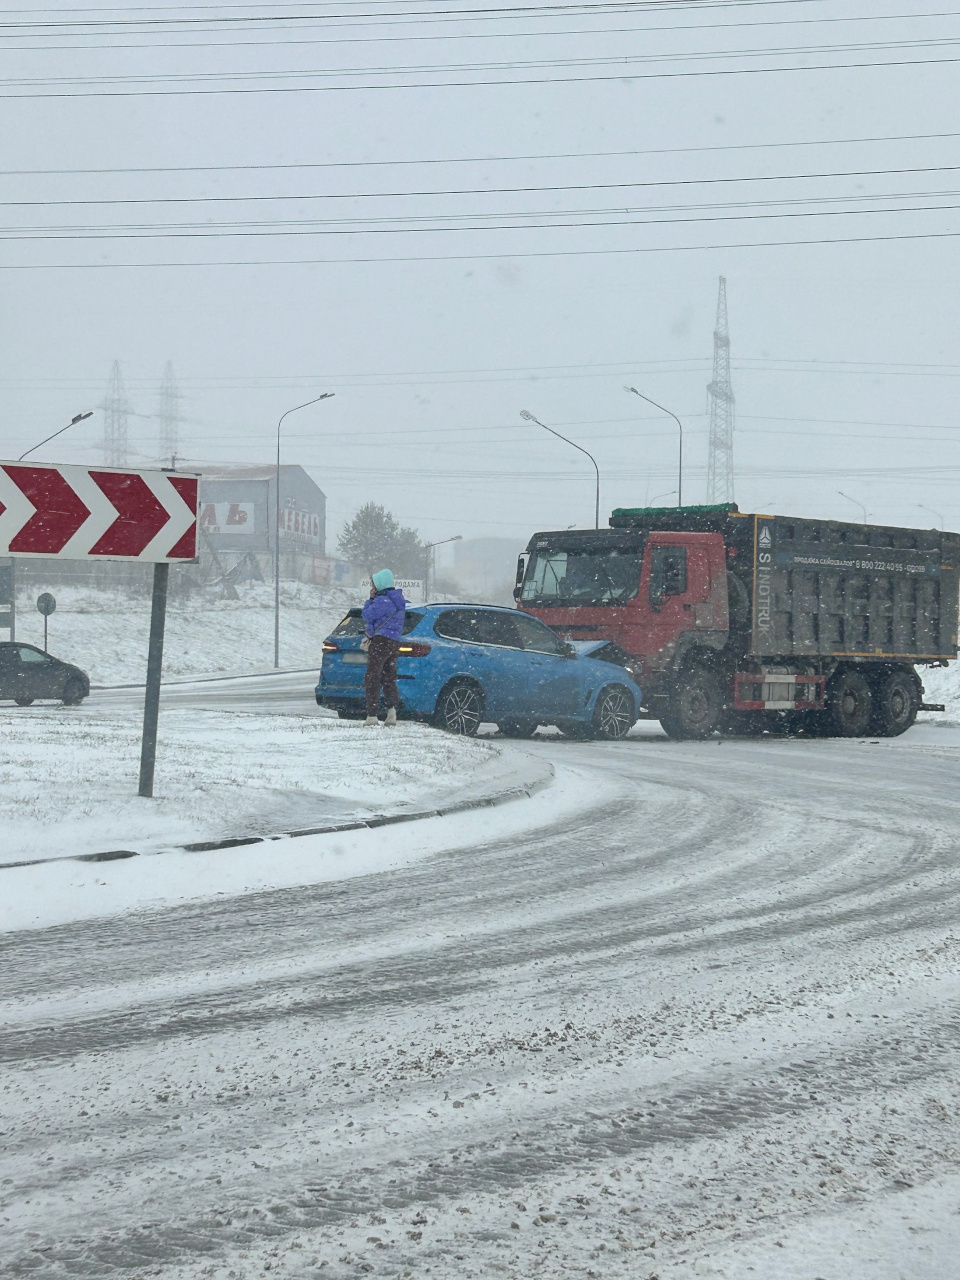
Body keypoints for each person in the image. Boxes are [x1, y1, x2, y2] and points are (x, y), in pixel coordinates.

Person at [360, 569, 407, 727]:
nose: (372, 587)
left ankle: (372, 715)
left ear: (380, 584)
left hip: (381, 640)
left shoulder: (382, 601)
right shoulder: (398, 600)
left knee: (373, 676)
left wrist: (370, 600)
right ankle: (391, 712)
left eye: (374, 584)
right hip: (394, 641)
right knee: (389, 677)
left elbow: (367, 615)